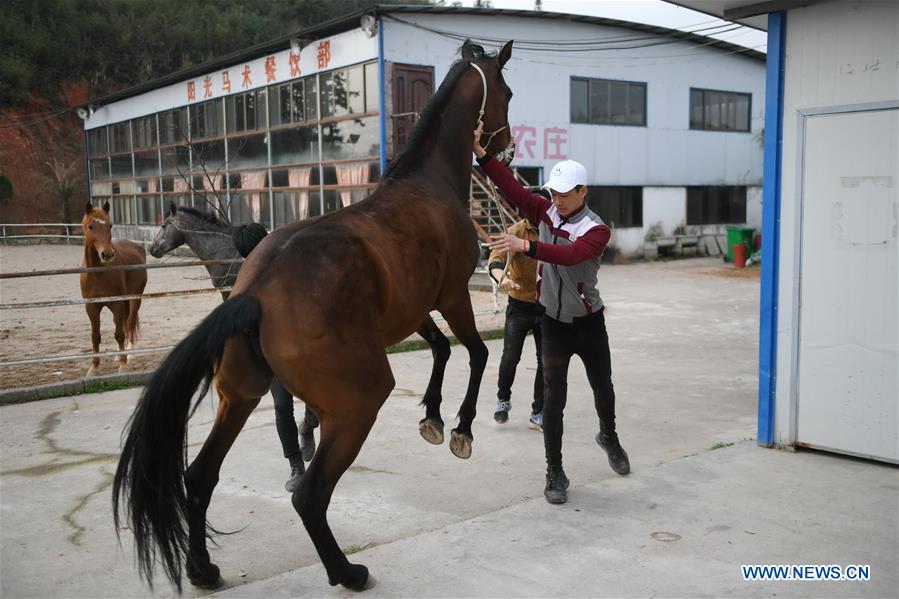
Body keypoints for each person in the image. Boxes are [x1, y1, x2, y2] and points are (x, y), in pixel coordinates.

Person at [475, 124, 630, 505]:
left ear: (583, 191)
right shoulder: (545, 211)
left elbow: (571, 255)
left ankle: (608, 435)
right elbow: (510, 188)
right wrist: (480, 153)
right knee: (552, 401)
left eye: (564, 194)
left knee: (603, 388)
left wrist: (527, 247)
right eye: (553, 193)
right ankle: (554, 472)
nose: (556, 200)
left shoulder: (596, 230)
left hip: (589, 324)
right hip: (554, 324)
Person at [233, 222, 319, 493]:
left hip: (303, 348)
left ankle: (308, 426)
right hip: (273, 355)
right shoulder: (246, 281)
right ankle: (296, 466)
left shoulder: (292, 267)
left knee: (318, 401)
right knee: (282, 406)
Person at [487, 212, 545, 431]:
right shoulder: (514, 232)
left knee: (546, 361)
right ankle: (503, 400)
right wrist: (502, 278)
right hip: (519, 305)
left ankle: (538, 411)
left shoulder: (554, 230)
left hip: (547, 306)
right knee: (510, 357)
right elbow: (496, 260)